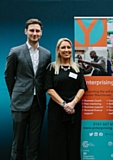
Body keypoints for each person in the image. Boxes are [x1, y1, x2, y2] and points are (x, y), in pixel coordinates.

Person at [4, 18, 51, 160]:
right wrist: (16, 95)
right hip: (19, 103)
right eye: (31, 30)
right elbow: (8, 76)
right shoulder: (15, 52)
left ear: (41, 33)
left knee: (34, 143)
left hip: (38, 104)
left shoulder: (46, 54)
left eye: (37, 31)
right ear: (26, 31)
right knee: (18, 143)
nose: (34, 33)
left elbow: (44, 78)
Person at [44, 38, 87, 160]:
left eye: (68, 47)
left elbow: (82, 88)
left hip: (74, 110)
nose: (66, 50)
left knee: (73, 143)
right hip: (57, 110)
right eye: (63, 47)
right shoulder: (51, 68)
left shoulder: (77, 68)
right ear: (58, 50)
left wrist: (72, 104)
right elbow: (49, 88)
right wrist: (64, 104)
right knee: (56, 143)